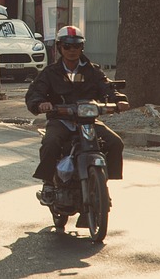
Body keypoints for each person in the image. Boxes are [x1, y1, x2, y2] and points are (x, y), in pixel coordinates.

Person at [25, 25, 130, 205]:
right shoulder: (50, 72)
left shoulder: (93, 70)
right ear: (60, 48)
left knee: (115, 142)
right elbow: (35, 93)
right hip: (61, 120)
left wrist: (119, 100)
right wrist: (41, 103)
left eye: (76, 46)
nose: (72, 50)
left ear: (82, 47)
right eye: (67, 46)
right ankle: (49, 183)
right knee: (50, 143)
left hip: (88, 120)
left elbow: (106, 86)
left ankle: (101, 185)